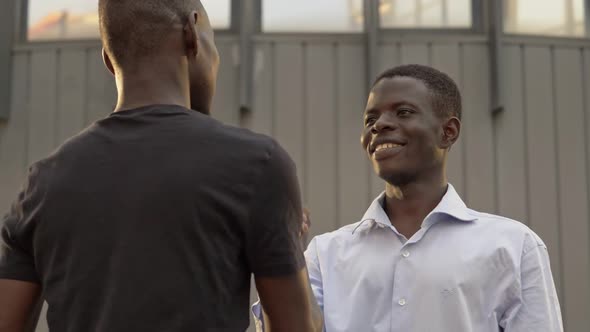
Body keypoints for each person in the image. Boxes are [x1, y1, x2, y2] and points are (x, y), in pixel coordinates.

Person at [0, 1, 322, 331]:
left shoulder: (41, 185)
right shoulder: (258, 166)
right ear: (192, 33)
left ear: (109, 61)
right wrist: (290, 244)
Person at [253, 64, 563, 331]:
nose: (380, 125)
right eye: (369, 119)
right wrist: (286, 250)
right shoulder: (323, 254)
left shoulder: (514, 247)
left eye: (403, 112)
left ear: (448, 132)